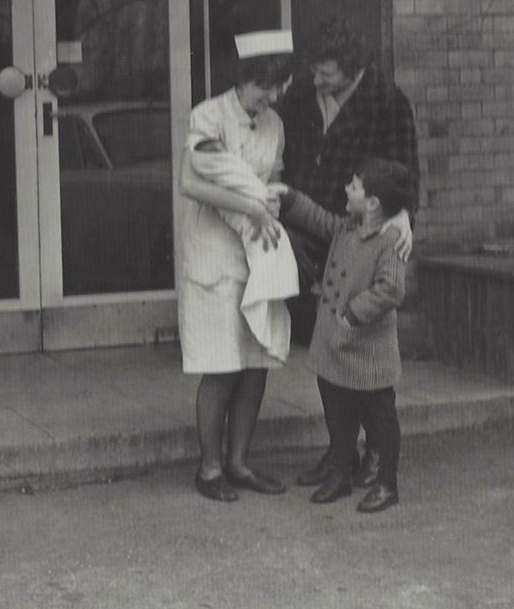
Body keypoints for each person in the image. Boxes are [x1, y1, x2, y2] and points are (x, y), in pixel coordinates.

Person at [279, 16, 420, 489]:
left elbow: (404, 173)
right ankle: (341, 452)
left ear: (355, 69)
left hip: (361, 240)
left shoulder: (387, 102)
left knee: (368, 367)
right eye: (314, 71)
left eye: (327, 75)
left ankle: (377, 454)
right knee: (331, 359)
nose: (317, 81)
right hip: (319, 239)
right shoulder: (302, 94)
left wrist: (401, 219)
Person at [178, 29, 294, 502]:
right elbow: (193, 184)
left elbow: (277, 184)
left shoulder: (274, 125)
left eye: (278, 88)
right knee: (222, 364)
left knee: (255, 361)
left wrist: (268, 221)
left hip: (257, 249)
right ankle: (208, 469)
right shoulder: (207, 116)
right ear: (242, 79)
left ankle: (239, 463)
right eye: (263, 87)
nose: (270, 97)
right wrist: (251, 206)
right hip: (215, 252)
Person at [278, 157, 414, 512]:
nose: (346, 189)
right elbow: (319, 220)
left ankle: (387, 482)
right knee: (337, 410)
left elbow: (391, 289)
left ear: (372, 203)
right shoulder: (348, 227)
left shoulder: (390, 241)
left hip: (368, 350)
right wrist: (289, 197)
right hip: (335, 344)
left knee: (381, 418)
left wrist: (353, 313)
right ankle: (341, 469)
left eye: (353, 186)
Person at [190, 138, 299, 363]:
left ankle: (263, 313)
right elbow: (240, 193)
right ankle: (260, 311)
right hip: (230, 252)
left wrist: (266, 198)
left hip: (255, 235)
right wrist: (258, 202)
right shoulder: (218, 179)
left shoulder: (268, 134)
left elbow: (256, 189)